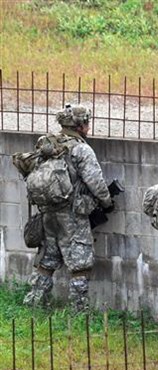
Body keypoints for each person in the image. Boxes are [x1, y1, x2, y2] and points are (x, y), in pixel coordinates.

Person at [24, 104, 114, 311]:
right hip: (72, 213)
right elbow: (96, 182)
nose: (88, 126)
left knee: (47, 257)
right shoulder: (81, 149)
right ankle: (79, 310)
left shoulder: (46, 144)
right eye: (87, 122)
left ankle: (35, 302)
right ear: (81, 125)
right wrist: (107, 203)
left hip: (47, 212)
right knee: (80, 263)